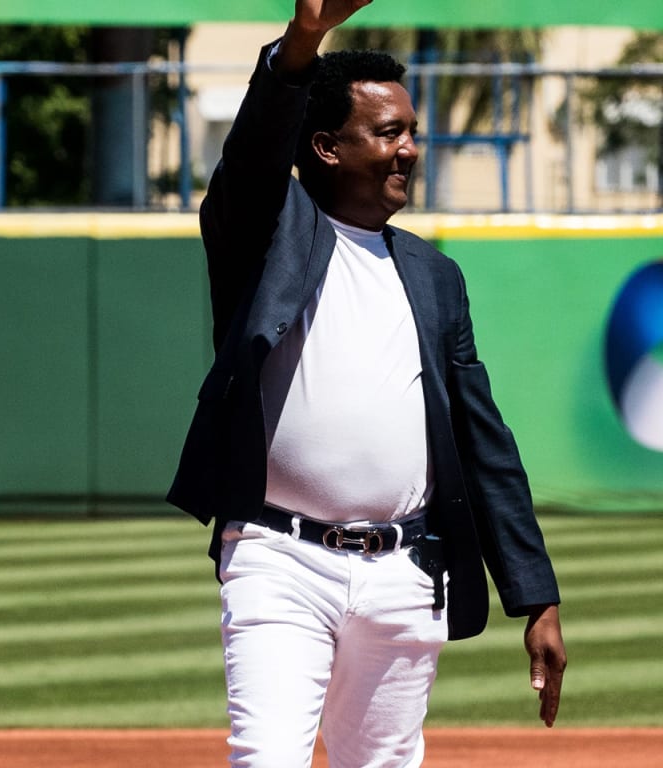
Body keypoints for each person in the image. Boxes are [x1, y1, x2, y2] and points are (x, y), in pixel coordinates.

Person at [166, 1, 567, 765]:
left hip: (405, 571)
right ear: (325, 147)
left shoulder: (433, 275)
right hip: (279, 559)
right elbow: (250, 159)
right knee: (267, 757)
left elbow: (484, 439)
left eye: (412, 131)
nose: (410, 148)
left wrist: (536, 594)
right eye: (389, 133)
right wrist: (305, 40)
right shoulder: (267, 233)